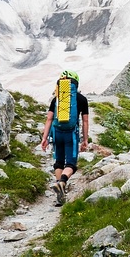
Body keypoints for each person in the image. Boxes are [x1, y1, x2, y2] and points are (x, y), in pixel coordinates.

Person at [40, 69, 89, 206]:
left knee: (59, 162)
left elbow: (49, 119)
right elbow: (85, 121)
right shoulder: (81, 99)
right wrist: (85, 140)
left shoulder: (56, 99)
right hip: (70, 134)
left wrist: (44, 138)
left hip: (57, 133)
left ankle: (59, 193)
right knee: (71, 164)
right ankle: (62, 182)